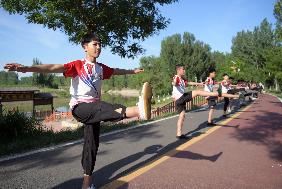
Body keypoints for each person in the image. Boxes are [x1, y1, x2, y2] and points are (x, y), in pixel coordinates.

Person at [4, 33, 152, 189]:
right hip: (80, 108)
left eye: (100, 44)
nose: (98, 47)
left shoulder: (101, 68)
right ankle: (138, 111)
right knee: (102, 105)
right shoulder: (77, 65)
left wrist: (132, 71)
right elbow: (53, 67)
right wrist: (25, 68)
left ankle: (86, 183)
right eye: (95, 44)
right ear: (85, 47)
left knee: (92, 144)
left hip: (96, 111)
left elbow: (116, 71)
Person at [172, 65, 242, 139]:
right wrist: (174, 83)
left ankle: (179, 134)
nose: (184, 70)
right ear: (179, 70)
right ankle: (223, 96)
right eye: (183, 69)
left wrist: (199, 84)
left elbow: (189, 83)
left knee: (182, 116)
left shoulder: (182, 79)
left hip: (181, 99)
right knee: (197, 92)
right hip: (180, 98)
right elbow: (174, 83)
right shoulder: (176, 77)